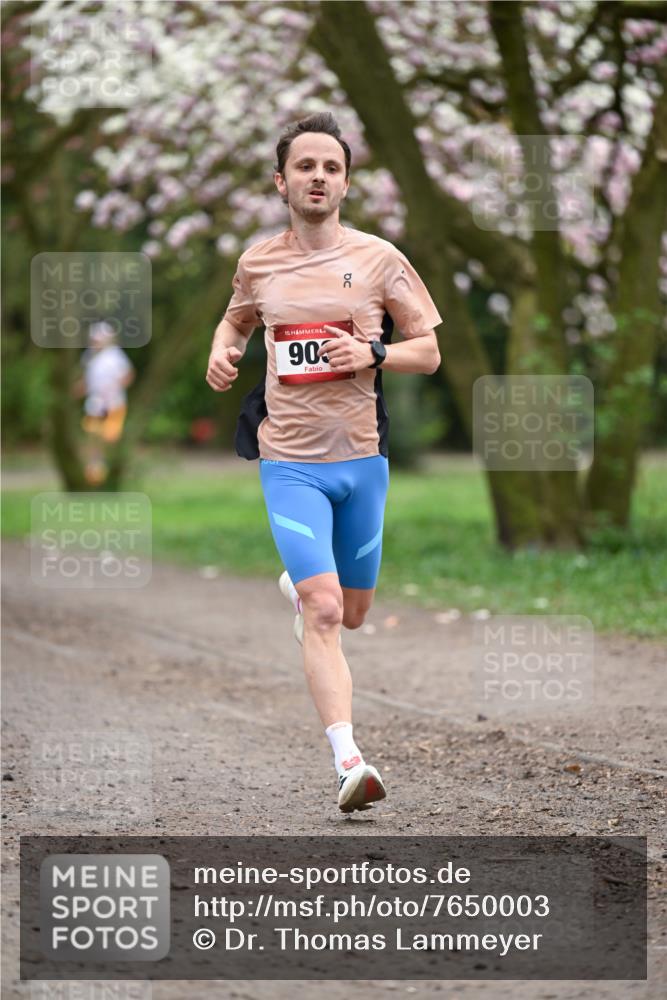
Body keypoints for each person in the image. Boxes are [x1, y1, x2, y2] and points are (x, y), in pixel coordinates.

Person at [206, 112, 443, 813]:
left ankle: (300, 586)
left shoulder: (380, 260)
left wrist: (372, 352)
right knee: (326, 609)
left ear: (345, 183)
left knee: (356, 612)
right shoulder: (257, 262)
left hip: (361, 460)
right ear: (281, 182)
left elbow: (428, 353)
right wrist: (221, 350)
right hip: (289, 462)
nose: (318, 176)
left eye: (331, 167)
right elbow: (237, 318)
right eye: (305, 166)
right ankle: (350, 761)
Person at [74, 321, 135, 485]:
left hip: (114, 403)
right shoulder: (88, 356)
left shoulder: (116, 356)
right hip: (95, 403)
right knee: (92, 433)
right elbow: (87, 380)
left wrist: (114, 387)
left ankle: (107, 465)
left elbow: (128, 376)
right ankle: (95, 466)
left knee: (110, 436)